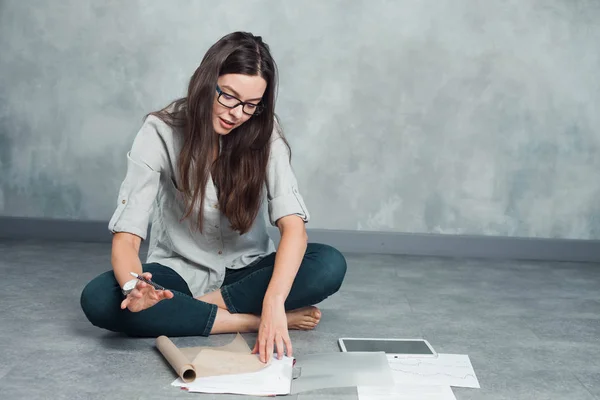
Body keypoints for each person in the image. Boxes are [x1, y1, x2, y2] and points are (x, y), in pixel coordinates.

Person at [79, 31, 347, 363]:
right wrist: (137, 290)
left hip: (246, 272)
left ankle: (188, 311)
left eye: (251, 105)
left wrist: (275, 298)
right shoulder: (159, 131)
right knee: (99, 298)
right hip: (179, 272)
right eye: (229, 97)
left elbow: (294, 228)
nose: (237, 113)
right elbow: (127, 239)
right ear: (208, 82)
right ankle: (247, 320)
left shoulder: (265, 131)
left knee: (329, 265)